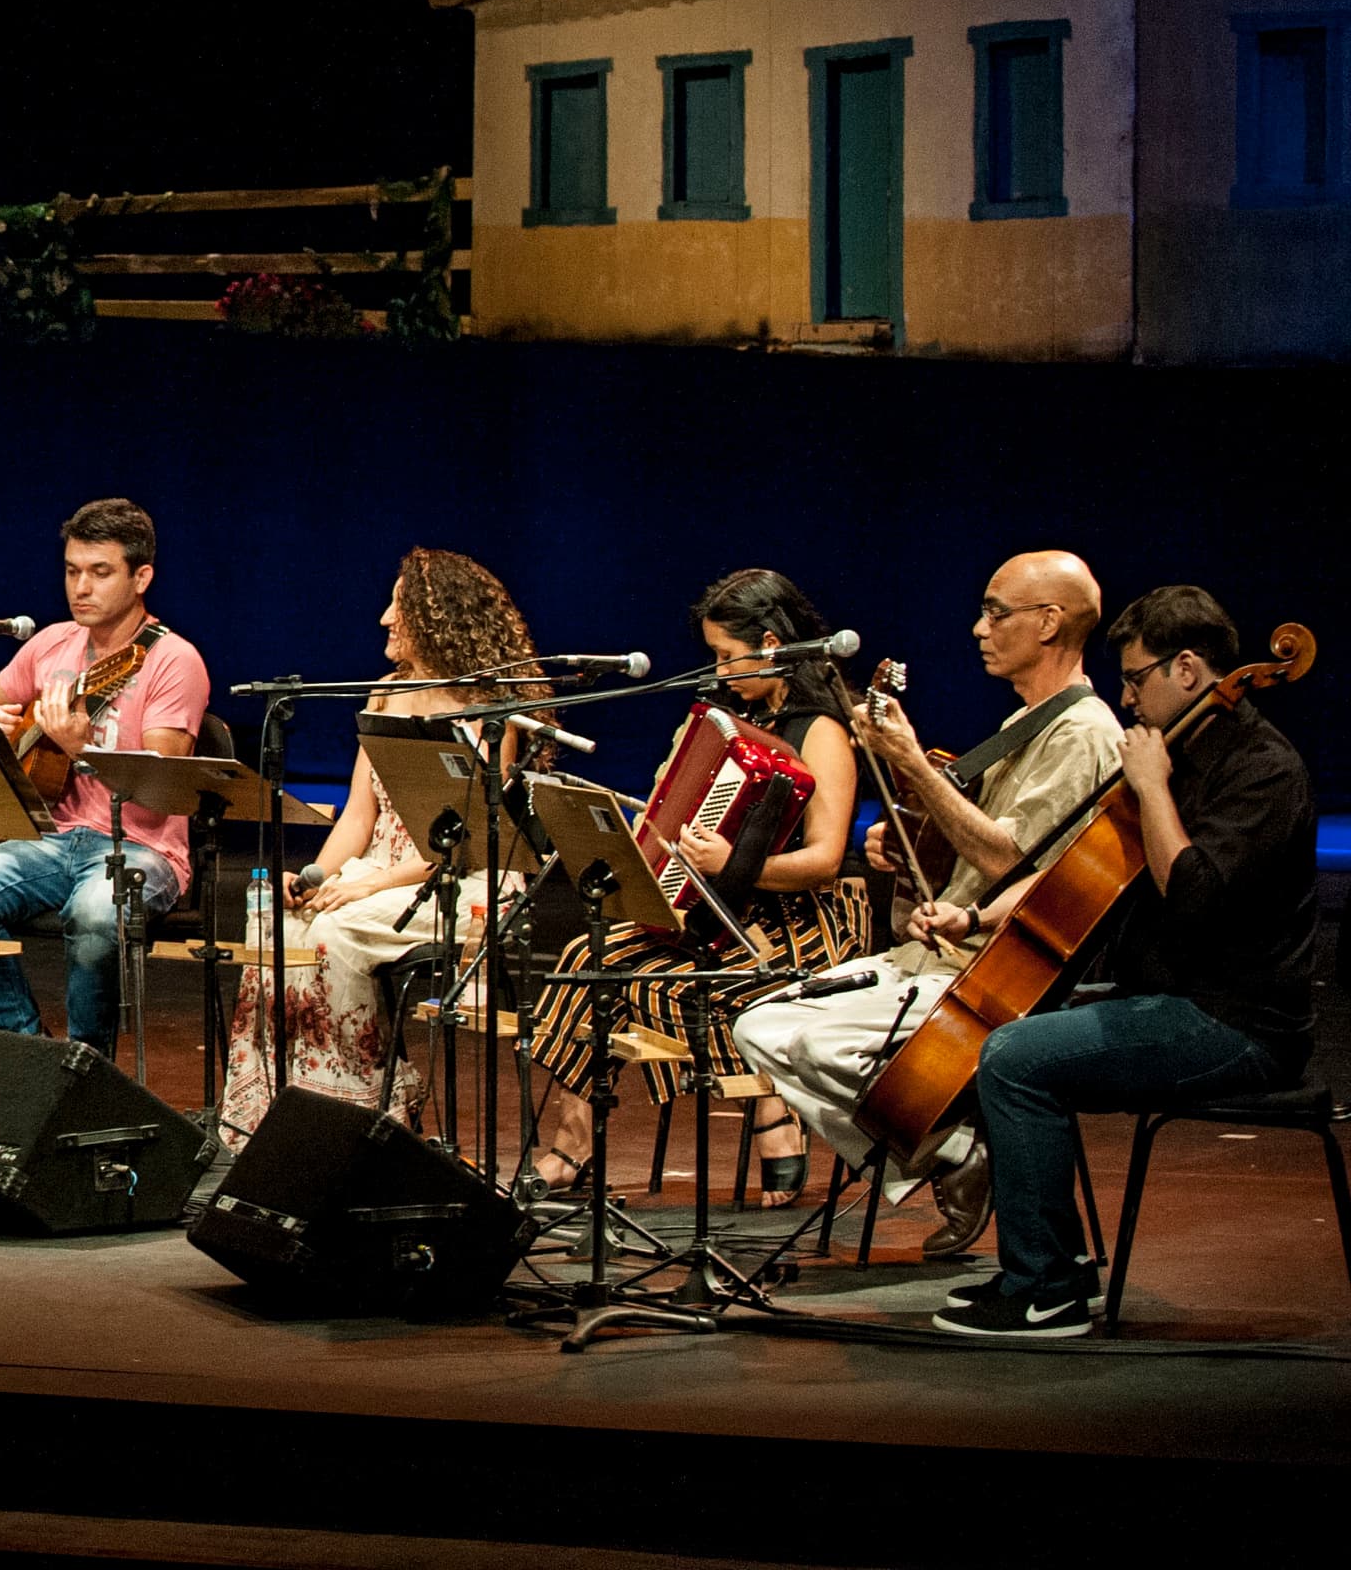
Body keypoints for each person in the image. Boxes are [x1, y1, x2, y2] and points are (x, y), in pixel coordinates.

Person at [931, 585, 1320, 1337]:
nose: (1127, 695)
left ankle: (1044, 1291)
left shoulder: (1263, 769)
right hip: (1172, 1001)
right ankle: (1051, 1266)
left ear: (1187, 669)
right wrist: (976, 915)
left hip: (1237, 1026)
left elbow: (1193, 891)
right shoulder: (1180, 751)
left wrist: (1149, 788)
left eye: (1137, 679)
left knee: (1015, 1056)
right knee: (1012, 1025)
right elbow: (1078, 883)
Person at [735, 549, 1120, 1259]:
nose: (978, 627)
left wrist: (912, 763)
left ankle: (947, 1138)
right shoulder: (1027, 723)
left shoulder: (1085, 733)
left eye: (995, 612)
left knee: (818, 1044)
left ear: (1049, 622)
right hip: (927, 951)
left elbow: (1010, 857)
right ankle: (950, 1153)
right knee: (758, 1025)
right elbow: (971, 844)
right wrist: (911, 836)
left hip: (987, 973)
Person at [522, 567, 867, 1204]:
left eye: (727, 656)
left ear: (771, 644)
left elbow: (824, 861)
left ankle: (772, 1113)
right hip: (722, 912)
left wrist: (735, 865)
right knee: (585, 961)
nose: (719, 669)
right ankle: (570, 1146)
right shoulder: (729, 723)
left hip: (803, 923)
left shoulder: (822, 730)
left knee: (684, 986)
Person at [221, 545, 540, 1137]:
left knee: (338, 930)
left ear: (435, 616)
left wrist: (369, 884)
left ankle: (361, 1107)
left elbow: (461, 841)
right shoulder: (387, 692)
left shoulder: (489, 710)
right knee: (275, 919)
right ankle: (278, 1108)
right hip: (378, 869)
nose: (384, 620)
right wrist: (313, 879)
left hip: (454, 877)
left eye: (399, 608)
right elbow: (358, 817)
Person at [0, 499, 210, 1050]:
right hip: (51, 840)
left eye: (100, 572)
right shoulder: (49, 644)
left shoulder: (172, 660)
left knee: (94, 914)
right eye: (71, 571)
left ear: (141, 577)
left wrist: (82, 750)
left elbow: (162, 788)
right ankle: (25, 1048)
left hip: (139, 847)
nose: (80, 587)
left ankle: (87, 1065)